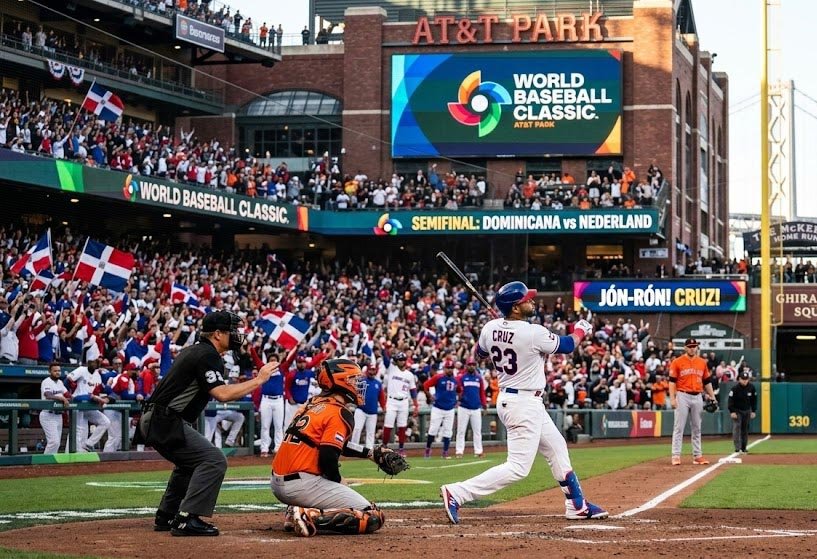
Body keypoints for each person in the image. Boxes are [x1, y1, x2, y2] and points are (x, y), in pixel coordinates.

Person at [440, 281, 607, 524]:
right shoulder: (532, 332)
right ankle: (457, 492)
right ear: (515, 308)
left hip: (520, 401)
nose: (531, 301)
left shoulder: (490, 328)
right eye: (526, 299)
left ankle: (576, 505)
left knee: (557, 447)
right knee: (518, 467)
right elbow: (568, 344)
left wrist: (498, 332)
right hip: (522, 403)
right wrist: (581, 328)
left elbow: (480, 354)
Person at [137, 311, 276, 537]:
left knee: (189, 464)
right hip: (165, 419)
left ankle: (167, 515)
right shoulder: (207, 354)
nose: (237, 335)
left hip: (156, 417)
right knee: (214, 460)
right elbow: (222, 394)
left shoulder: (195, 350)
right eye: (232, 331)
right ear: (217, 334)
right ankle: (187, 518)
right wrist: (259, 380)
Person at [271, 358, 387, 537]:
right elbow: (328, 456)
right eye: (353, 380)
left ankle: (294, 510)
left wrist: (370, 454)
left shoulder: (312, 403)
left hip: (278, 482)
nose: (358, 385)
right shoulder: (339, 412)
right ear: (341, 381)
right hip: (301, 485)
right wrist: (338, 480)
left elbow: (331, 443)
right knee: (372, 516)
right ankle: (309, 516)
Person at [668, 338, 717, 465]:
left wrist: (712, 396)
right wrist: (672, 398)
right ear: (685, 348)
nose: (692, 348)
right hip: (682, 395)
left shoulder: (702, 362)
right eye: (690, 346)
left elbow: (707, 382)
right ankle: (675, 455)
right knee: (679, 427)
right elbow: (672, 382)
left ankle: (697, 455)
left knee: (697, 427)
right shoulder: (677, 362)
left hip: (697, 396)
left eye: (694, 346)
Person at [381, 351, 419, 456]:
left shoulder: (409, 375)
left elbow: (413, 391)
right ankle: (384, 446)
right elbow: (386, 360)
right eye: (399, 360)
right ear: (396, 361)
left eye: (403, 359)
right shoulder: (391, 369)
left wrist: (416, 405)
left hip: (404, 401)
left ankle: (401, 448)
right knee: (388, 425)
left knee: (402, 426)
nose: (402, 361)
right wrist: (385, 350)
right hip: (392, 401)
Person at [423, 360, 459, 459]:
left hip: (450, 408)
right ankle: (428, 449)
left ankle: (445, 451)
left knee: (448, 431)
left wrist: (457, 400)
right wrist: (430, 396)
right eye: (448, 368)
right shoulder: (438, 377)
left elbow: (460, 390)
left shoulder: (455, 380)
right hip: (438, 407)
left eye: (451, 368)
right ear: (444, 368)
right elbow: (425, 385)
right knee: (433, 429)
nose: (450, 370)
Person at [455, 356, 487, 458]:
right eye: (470, 365)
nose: (472, 366)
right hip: (464, 407)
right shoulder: (462, 377)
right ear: (466, 366)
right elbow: (457, 390)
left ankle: (478, 451)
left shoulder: (479, 378)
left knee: (477, 431)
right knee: (461, 430)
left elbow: (481, 392)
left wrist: (484, 405)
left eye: (473, 365)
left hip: (476, 407)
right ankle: (459, 451)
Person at [351, 362, 385, 450]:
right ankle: (353, 448)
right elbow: (354, 390)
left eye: (373, 370)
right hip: (361, 409)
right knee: (357, 429)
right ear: (367, 370)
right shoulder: (362, 381)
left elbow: (381, 397)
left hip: (373, 412)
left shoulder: (378, 383)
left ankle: (369, 450)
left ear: (376, 371)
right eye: (370, 370)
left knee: (371, 432)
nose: (372, 372)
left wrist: (384, 407)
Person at [40, 362, 70, 454]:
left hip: (58, 415)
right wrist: (61, 398)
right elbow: (48, 395)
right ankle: (45, 461)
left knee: (56, 443)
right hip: (48, 414)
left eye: (59, 371)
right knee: (54, 442)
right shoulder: (46, 381)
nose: (57, 372)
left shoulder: (60, 382)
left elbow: (67, 394)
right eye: (55, 371)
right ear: (50, 371)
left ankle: (50, 461)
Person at [728, 370, 757, 454]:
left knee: (745, 429)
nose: (745, 381)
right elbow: (730, 400)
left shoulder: (751, 387)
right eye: (743, 379)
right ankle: (737, 448)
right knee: (737, 428)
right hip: (737, 410)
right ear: (739, 379)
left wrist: (753, 411)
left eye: (746, 379)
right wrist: (732, 411)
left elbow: (754, 400)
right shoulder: (735, 388)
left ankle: (744, 448)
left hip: (747, 410)